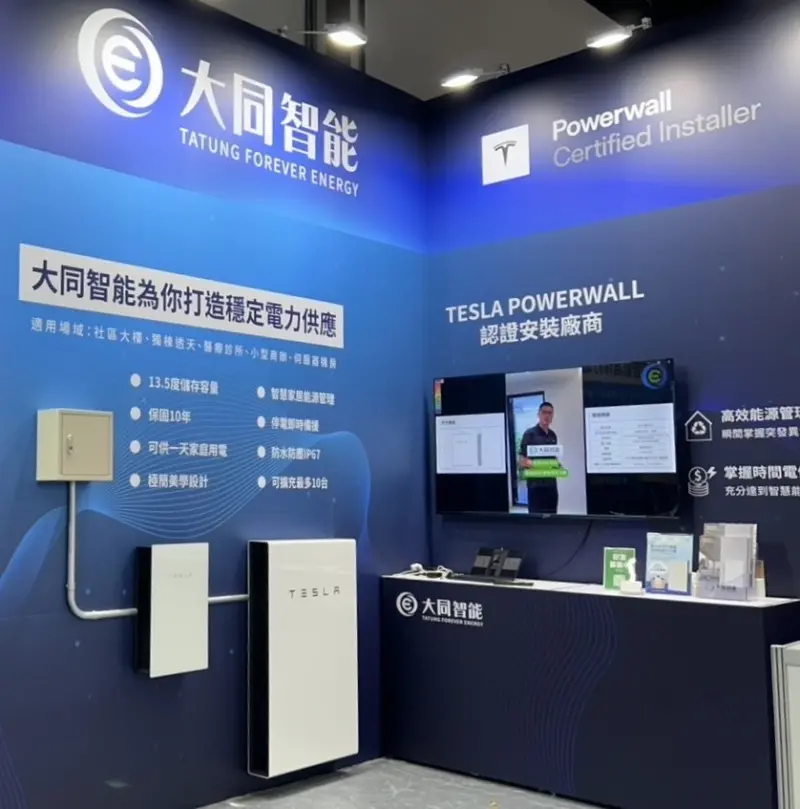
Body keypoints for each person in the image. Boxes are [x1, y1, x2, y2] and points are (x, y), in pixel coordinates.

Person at [518, 401, 559, 514]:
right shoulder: (529, 434)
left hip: (551, 485)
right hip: (536, 486)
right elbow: (522, 461)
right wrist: (542, 466)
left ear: (552, 416)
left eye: (550, 413)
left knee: (552, 517)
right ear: (538, 414)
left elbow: (553, 458)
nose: (547, 416)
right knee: (536, 519)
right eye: (544, 412)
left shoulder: (553, 435)